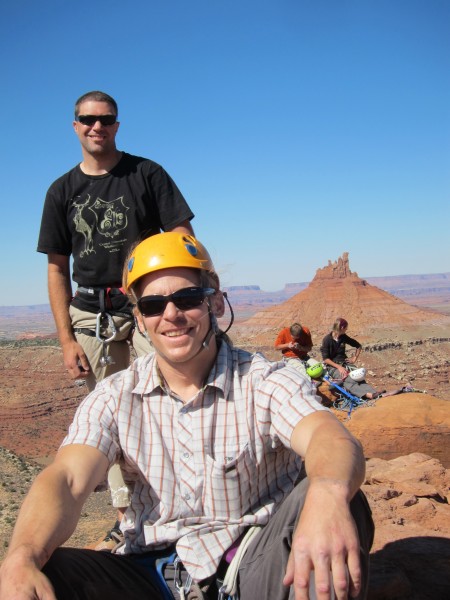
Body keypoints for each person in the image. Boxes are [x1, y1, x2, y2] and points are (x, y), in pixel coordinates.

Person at [0, 233, 374, 600]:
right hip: (150, 574)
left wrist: (328, 491)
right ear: (139, 318)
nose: (171, 315)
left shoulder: (264, 382)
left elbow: (329, 437)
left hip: (251, 566)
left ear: (215, 303)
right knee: (36, 572)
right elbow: (66, 478)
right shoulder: (115, 397)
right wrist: (22, 555)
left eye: (188, 298)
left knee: (341, 502)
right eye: (153, 305)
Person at [36, 90, 195, 550]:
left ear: (117, 125)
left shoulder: (146, 174)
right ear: (75, 126)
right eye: (87, 119)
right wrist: (66, 340)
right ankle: (129, 519)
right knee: (113, 415)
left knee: (168, 396)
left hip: (145, 306)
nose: (96, 127)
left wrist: (183, 298)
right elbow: (56, 269)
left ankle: (178, 499)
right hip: (91, 315)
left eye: (105, 119)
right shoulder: (61, 191)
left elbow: (182, 236)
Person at [320, 318, 381, 400]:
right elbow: (326, 359)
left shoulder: (343, 337)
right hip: (333, 367)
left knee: (359, 377)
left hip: (345, 363)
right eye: (346, 328)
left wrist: (354, 358)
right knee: (348, 379)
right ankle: (367, 395)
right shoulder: (327, 340)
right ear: (342, 328)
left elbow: (358, 346)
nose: (346, 329)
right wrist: (339, 367)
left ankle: (374, 393)